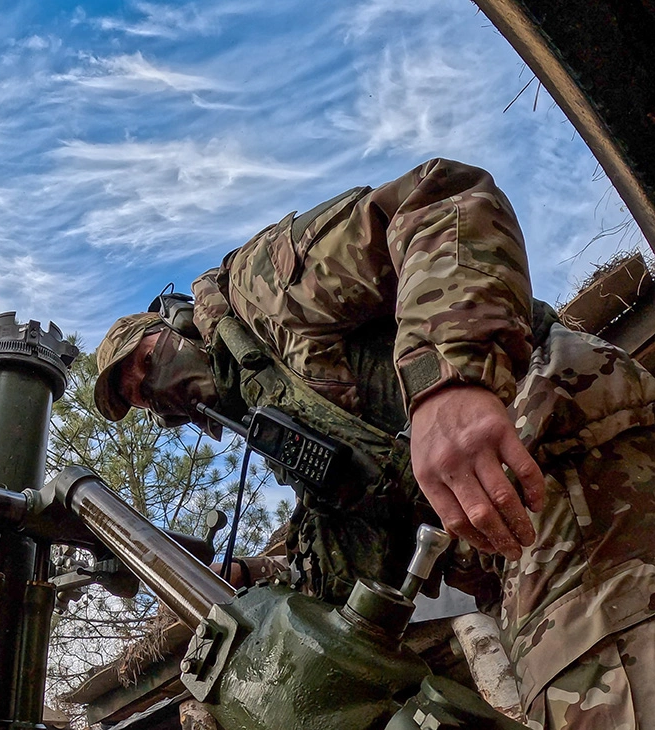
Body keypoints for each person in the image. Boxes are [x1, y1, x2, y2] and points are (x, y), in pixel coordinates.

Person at [93, 159, 655, 729]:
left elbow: (439, 201)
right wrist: (257, 578)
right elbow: (350, 540)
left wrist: (448, 382)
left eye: (146, 361)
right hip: (507, 534)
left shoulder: (258, 291)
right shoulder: (277, 418)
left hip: (557, 447)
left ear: (173, 323)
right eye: (141, 397)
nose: (157, 389)